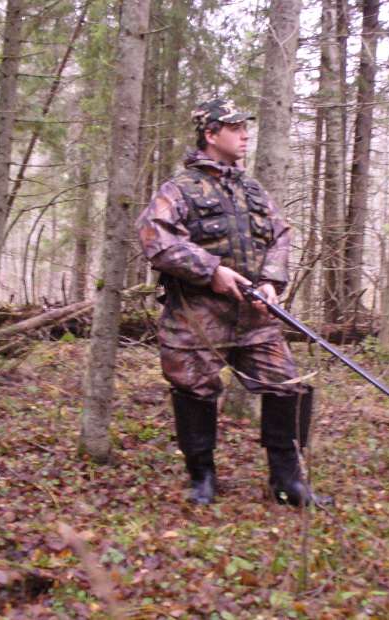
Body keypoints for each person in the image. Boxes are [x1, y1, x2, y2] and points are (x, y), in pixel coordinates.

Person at [136, 98, 316, 506]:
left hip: (254, 316)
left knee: (287, 385)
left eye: (245, 128)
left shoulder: (252, 190)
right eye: (235, 129)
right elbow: (155, 239)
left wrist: (270, 282)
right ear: (211, 134)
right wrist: (211, 270)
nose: (245, 135)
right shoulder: (179, 189)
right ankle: (201, 478)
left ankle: (288, 481)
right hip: (196, 317)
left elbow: (280, 235)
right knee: (194, 391)